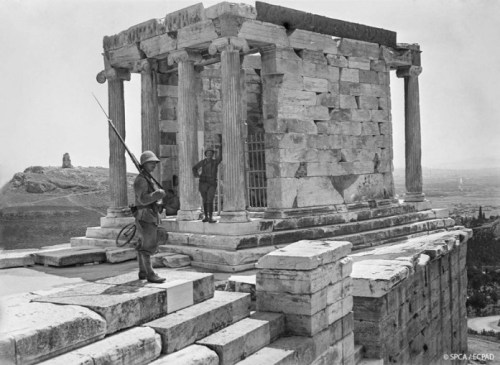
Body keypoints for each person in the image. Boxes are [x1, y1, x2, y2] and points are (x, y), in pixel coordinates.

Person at [133, 150, 166, 283]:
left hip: (150, 214)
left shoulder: (148, 178)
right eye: (151, 162)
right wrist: (157, 195)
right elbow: (142, 200)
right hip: (145, 215)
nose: (154, 165)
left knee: (143, 244)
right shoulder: (141, 180)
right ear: (144, 164)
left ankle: (142, 272)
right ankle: (150, 274)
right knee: (148, 246)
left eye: (155, 163)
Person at [192, 145, 222, 223]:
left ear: (212, 154)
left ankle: (211, 217)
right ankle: (206, 217)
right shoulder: (203, 162)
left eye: (211, 153)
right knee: (205, 200)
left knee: (210, 199)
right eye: (208, 153)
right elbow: (194, 168)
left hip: (212, 183)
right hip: (203, 183)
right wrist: (197, 175)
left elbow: (220, 157)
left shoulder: (215, 162)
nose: (209, 154)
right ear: (206, 154)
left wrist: (221, 147)